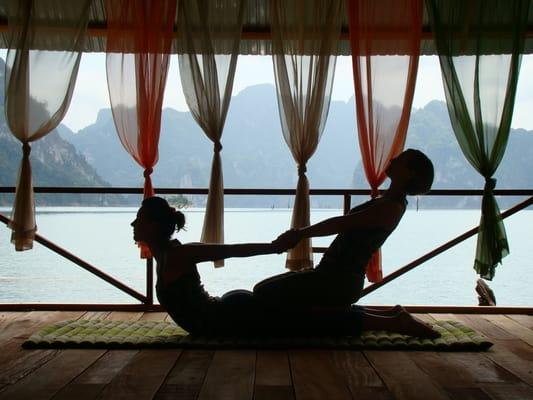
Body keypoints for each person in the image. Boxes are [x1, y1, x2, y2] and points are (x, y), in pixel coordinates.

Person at [131, 163, 440, 338]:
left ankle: (391, 321)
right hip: (237, 310)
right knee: (304, 314)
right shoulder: (168, 254)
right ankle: (391, 317)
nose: (133, 224)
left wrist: (282, 243)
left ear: (156, 227)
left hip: (241, 313)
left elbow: (235, 249)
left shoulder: (390, 207)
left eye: (139, 220)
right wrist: (285, 242)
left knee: (303, 319)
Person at [253, 148, 435, 311]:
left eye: (400, 159)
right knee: (264, 291)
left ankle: (376, 321)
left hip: (339, 281)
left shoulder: (391, 208)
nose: (392, 160)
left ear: (410, 173)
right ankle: (349, 314)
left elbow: (342, 223)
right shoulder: (386, 201)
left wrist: (300, 233)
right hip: (330, 275)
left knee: (264, 293)